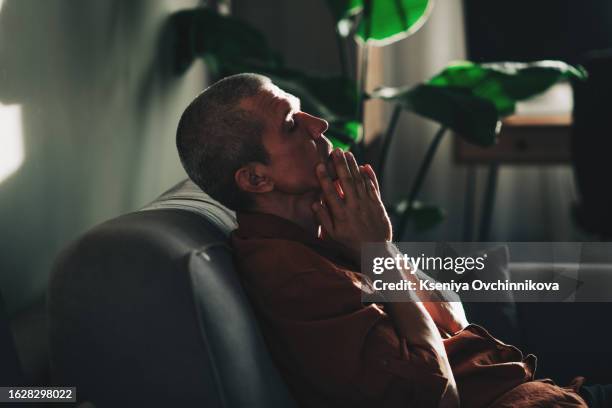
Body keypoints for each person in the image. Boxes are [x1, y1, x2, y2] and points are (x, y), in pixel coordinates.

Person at [176, 73, 595, 407]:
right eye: (291, 124)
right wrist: (381, 256)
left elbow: (451, 314)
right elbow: (438, 397)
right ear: (255, 178)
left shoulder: (324, 236)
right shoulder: (293, 278)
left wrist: (382, 249)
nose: (318, 125)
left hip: (544, 389)